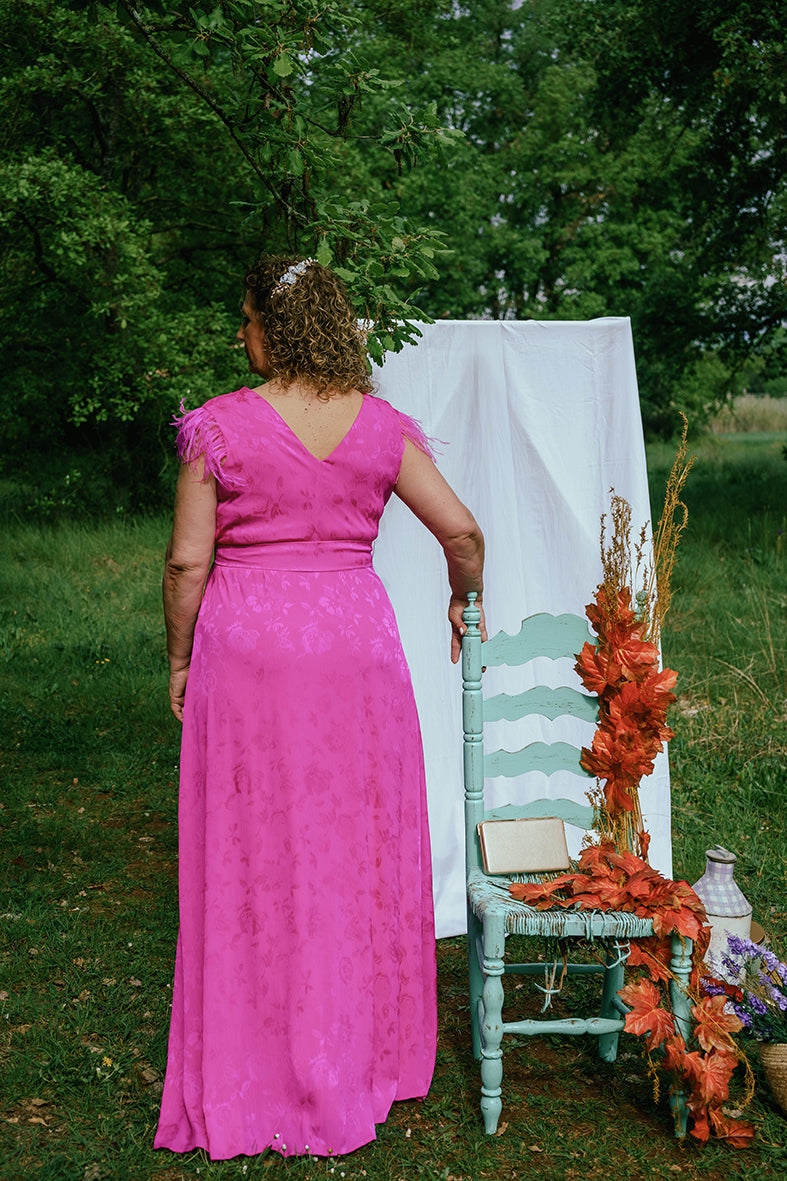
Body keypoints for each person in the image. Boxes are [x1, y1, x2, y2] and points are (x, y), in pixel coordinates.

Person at [155, 254, 486, 1161]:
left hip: (248, 655)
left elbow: (186, 563)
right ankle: (351, 1044)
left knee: (252, 845)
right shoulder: (381, 427)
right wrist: (464, 598)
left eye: (247, 317)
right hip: (353, 654)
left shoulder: (217, 427)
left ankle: (259, 1049)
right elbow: (461, 531)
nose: (240, 334)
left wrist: (177, 658)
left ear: (276, 326)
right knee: (349, 841)